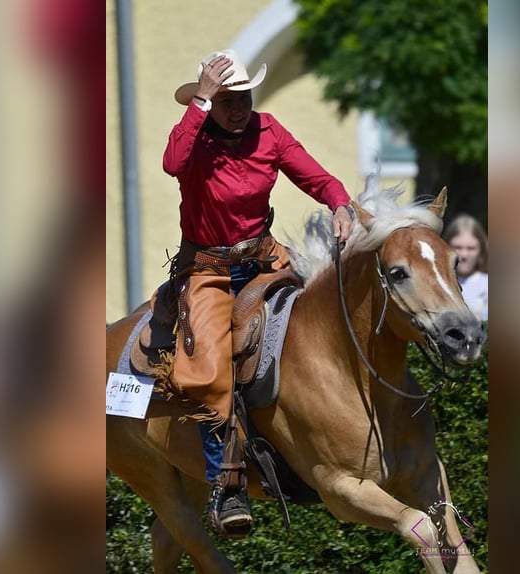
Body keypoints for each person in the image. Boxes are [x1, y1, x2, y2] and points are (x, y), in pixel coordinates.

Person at [162, 49, 353, 534]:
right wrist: (200, 101)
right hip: (207, 270)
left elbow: (315, 175)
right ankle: (225, 487)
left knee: (328, 317)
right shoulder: (195, 137)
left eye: (244, 96)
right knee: (210, 367)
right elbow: (171, 162)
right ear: (211, 100)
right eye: (227, 99)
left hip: (266, 258)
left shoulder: (269, 132)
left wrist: (339, 203)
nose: (239, 107)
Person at [443, 214, 488, 321]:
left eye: (471, 248)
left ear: (481, 250)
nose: (464, 255)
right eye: (457, 247)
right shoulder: (438, 284)